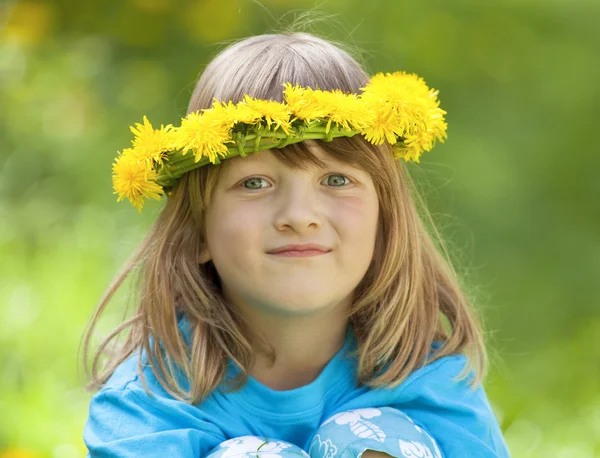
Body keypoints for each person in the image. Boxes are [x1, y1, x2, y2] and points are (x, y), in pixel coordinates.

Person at [81, 31, 511, 458]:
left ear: (385, 224)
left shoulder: (432, 385)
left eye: (336, 179)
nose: (299, 215)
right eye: (254, 182)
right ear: (197, 231)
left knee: (372, 439)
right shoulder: (150, 403)